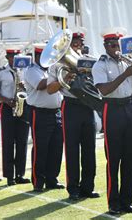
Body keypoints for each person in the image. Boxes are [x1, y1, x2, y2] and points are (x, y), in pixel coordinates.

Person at [92, 27, 132, 215]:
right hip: (112, 108)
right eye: (113, 45)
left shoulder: (127, 61)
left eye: (119, 45)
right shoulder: (99, 65)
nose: (117, 48)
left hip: (129, 107)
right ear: (106, 46)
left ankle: (127, 200)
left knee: (130, 157)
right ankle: (113, 202)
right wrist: (125, 74)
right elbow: (105, 90)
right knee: (114, 158)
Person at [47, 28, 100, 201]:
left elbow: (97, 84)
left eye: (79, 44)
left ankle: (88, 187)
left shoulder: (90, 60)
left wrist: (89, 72)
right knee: (71, 149)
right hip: (70, 106)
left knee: (89, 149)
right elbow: (50, 89)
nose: (77, 46)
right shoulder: (57, 65)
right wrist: (67, 77)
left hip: (87, 106)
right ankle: (73, 189)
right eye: (74, 44)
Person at [24, 43, 64, 192]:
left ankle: (52, 179)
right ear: (37, 56)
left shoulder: (52, 69)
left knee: (56, 147)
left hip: (56, 112)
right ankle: (38, 181)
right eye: (45, 56)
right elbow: (41, 85)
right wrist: (60, 78)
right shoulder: (31, 70)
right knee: (41, 148)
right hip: (39, 113)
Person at [0, 49, 31, 186]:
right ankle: (9, 176)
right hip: (8, 107)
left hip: (23, 106)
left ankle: (20, 174)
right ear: (7, 57)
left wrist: (25, 87)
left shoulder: (25, 71)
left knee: (22, 142)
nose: (15, 59)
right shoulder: (1, 72)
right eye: (12, 57)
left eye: (17, 56)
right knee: (8, 142)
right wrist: (6, 100)